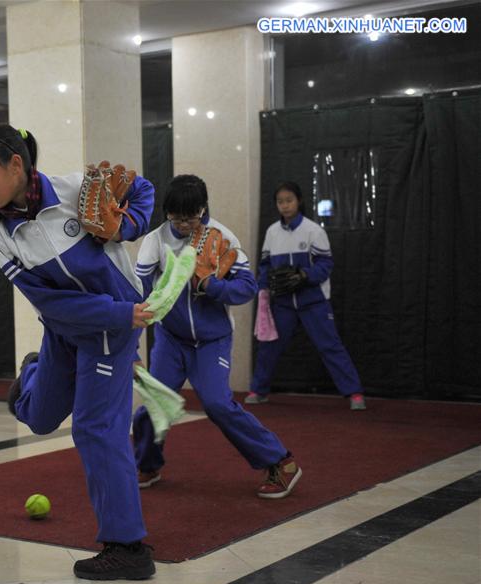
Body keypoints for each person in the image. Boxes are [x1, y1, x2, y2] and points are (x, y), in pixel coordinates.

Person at [0, 124, 156, 581]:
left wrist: (125, 226)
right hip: (65, 325)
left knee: (95, 429)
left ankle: (127, 546)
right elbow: (46, 299)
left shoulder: (76, 189)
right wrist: (108, 313)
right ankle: (32, 373)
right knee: (39, 417)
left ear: (16, 164)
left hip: (113, 329)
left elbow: (143, 189)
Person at [131, 175, 302, 499]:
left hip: (212, 340)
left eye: (191, 217)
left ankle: (281, 462)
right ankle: (147, 464)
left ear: (203, 208)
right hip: (171, 338)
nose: (183, 224)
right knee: (154, 403)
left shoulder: (223, 237)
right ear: (166, 212)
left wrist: (212, 285)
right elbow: (138, 290)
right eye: (176, 217)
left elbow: (247, 288)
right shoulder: (155, 241)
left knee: (217, 404)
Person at [246, 181, 366, 410]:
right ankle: (258, 390)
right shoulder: (272, 232)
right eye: (280, 201)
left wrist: (304, 275)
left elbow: (326, 264)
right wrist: (262, 292)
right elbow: (264, 265)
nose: (285, 205)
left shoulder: (314, 230)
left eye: (289, 200)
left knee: (330, 346)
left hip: (314, 302)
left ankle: (355, 394)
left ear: (299, 201)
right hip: (282, 303)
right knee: (269, 346)